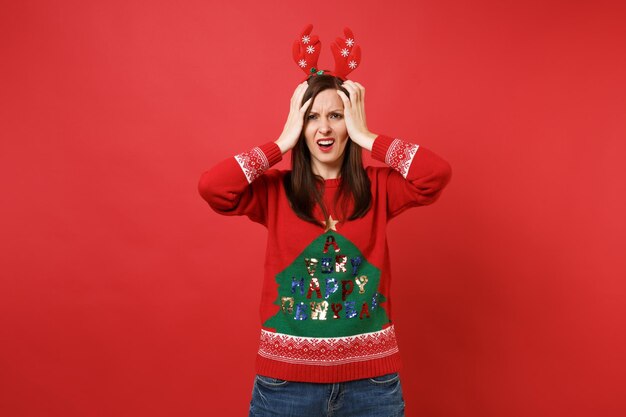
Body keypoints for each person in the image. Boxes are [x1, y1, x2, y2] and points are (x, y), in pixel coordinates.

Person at [198, 26, 451, 417]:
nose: (325, 128)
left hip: (372, 386)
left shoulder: (378, 188)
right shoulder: (276, 191)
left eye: (337, 115)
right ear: (300, 124)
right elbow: (213, 187)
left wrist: (368, 136)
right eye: (312, 117)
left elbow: (435, 174)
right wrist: (281, 142)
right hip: (286, 385)